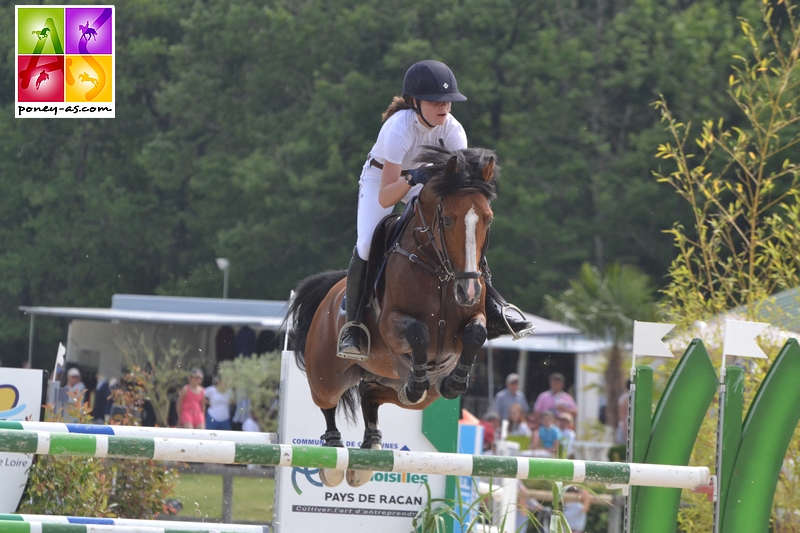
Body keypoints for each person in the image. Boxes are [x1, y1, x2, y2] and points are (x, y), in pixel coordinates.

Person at [336, 59, 533, 359]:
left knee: (464, 227)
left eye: (448, 102)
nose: (444, 108)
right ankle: (352, 326)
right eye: (435, 102)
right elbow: (387, 198)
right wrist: (412, 177)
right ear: (415, 102)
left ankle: (492, 306)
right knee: (365, 244)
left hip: (427, 181)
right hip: (384, 180)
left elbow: (459, 192)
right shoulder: (399, 130)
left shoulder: (454, 133)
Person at [616, 379, 631, 445]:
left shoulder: (625, 397)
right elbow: (622, 415)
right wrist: (625, 430)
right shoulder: (626, 398)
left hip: (624, 428)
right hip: (624, 429)